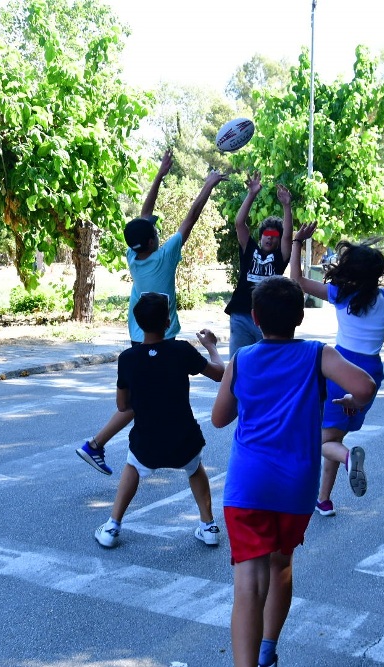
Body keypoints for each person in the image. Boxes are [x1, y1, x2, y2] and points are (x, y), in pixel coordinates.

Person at [211, 276, 377, 667]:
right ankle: (268, 649)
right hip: (295, 486)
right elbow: (365, 386)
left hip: (248, 485)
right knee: (281, 563)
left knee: (248, 583)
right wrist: (350, 400)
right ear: (300, 317)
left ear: (254, 317)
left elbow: (220, 418)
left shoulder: (242, 360)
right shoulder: (318, 355)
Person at [76, 152, 229, 475]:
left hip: (138, 333)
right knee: (144, 402)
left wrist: (160, 175)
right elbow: (191, 218)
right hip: (162, 334)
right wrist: (208, 186)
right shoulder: (165, 256)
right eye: (154, 232)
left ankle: (100, 445)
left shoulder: (135, 257)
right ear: (150, 240)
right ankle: (99, 444)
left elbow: (145, 215)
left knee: (140, 400)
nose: (158, 232)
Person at [290, 223, 384, 516]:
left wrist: (298, 242)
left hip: (341, 370)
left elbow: (298, 280)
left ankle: (349, 458)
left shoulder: (341, 295)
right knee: (334, 436)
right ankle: (324, 500)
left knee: (322, 442)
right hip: (371, 375)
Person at [93, 292, 226, 549]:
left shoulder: (128, 359)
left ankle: (112, 527)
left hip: (147, 444)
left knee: (132, 466)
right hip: (184, 441)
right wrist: (211, 346)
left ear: (137, 323)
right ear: (168, 322)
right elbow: (220, 374)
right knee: (195, 468)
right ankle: (208, 526)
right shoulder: (181, 350)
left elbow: (122, 405)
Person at [224, 173, 295, 355]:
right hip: (240, 313)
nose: (270, 240)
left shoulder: (281, 256)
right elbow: (239, 223)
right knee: (238, 362)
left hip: (267, 317)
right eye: (266, 235)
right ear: (261, 235)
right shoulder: (250, 249)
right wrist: (252, 193)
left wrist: (287, 206)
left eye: (274, 237)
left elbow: (288, 235)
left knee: (266, 364)